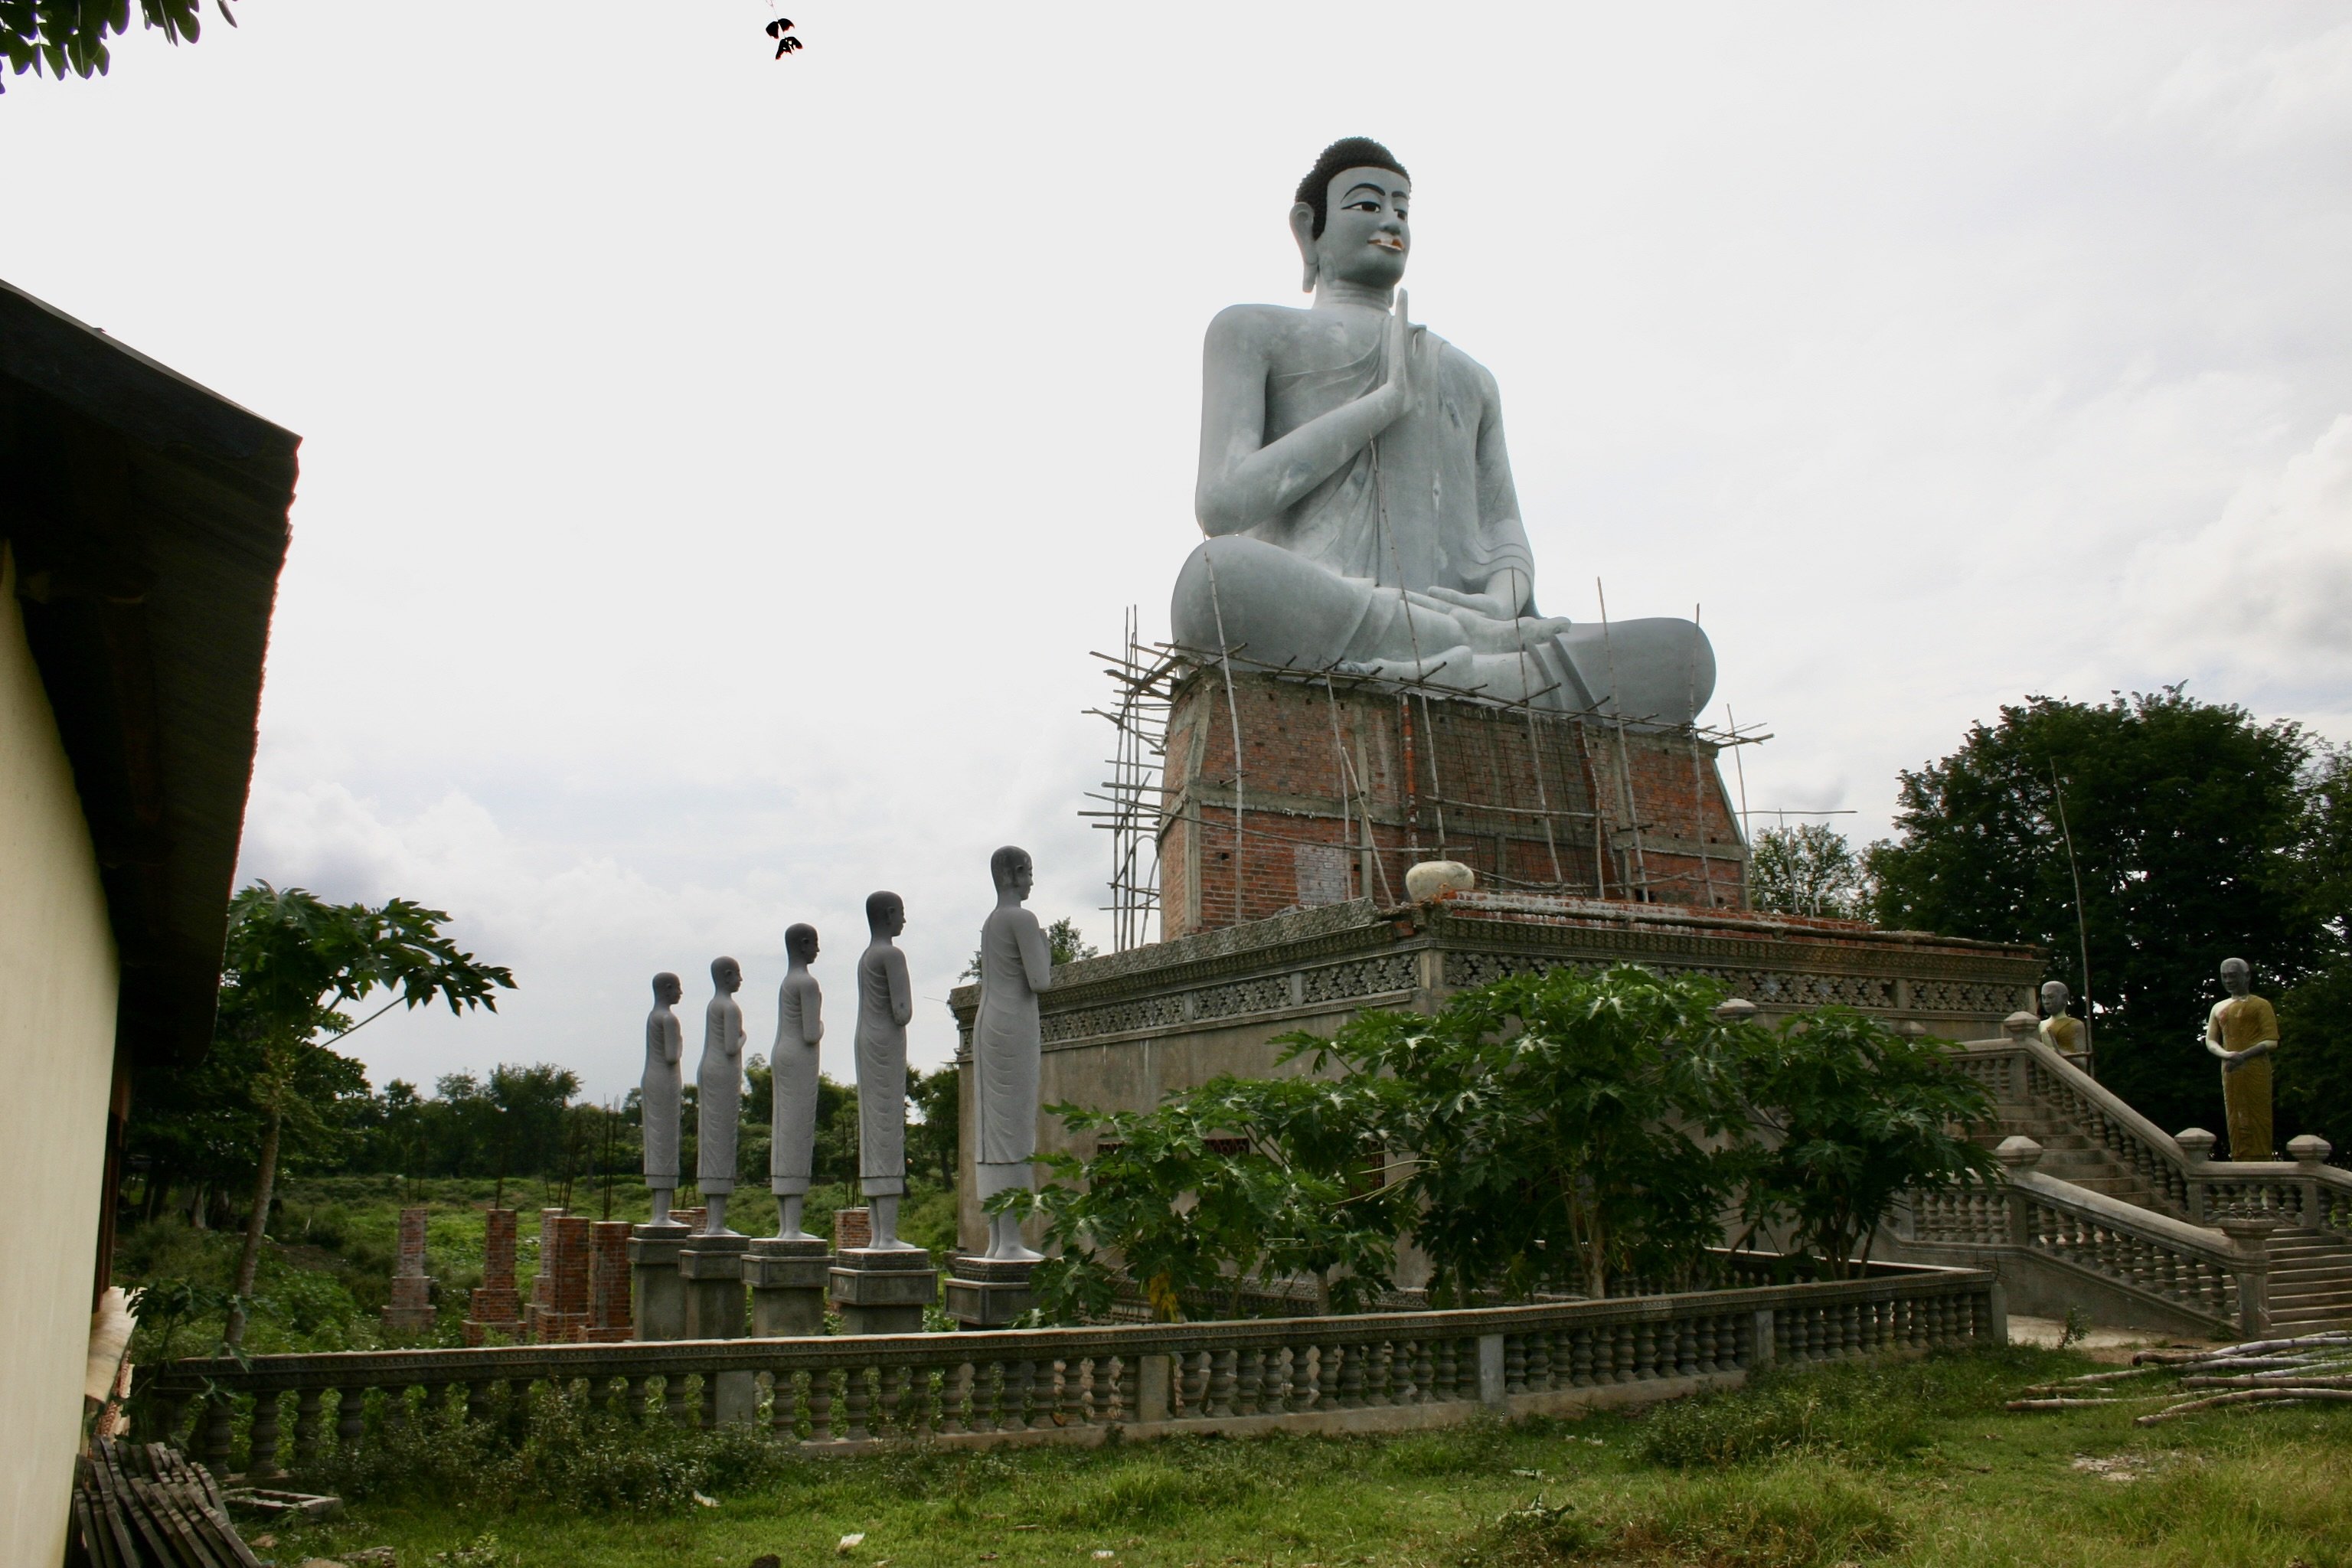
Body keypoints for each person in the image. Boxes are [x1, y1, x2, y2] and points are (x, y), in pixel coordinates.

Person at [1172, 136, 1713, 724]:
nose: (1390, 223)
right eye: (1367, 205)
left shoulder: (1469, 377)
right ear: (1308, 230)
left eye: (1402, 210)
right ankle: (1488, 674)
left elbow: (1503, 528)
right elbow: (1221, 506)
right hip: (1330, 606)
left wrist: (1500, 604)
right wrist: (1383, 405)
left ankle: (1459, 660)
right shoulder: (1251, 331)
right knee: (1216, 583)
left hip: (1471, 626)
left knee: (1683, 655)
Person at [972, 846, 1051, 1262]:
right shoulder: (1022, 919)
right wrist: (1044, 948)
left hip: (989, 1024)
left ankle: (997, 1238)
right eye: (1029, 872)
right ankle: (1010, 1240)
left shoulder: (992, 922)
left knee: (994, 1133)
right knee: (1015, 1131)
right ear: (1014, 874)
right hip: (1014, 1025)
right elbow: (1040, 980)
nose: (1032, 880)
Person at [854, 891, 919, 1249]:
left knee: (874, 1131)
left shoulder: (866, 957)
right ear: (890, 914)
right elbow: (902, 1011)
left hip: (866, 1039)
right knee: (888, 1130)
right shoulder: (892, 955)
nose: (904, 920)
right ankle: (887, 1235)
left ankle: (879, 1234)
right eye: (902, 913)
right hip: (886, 1043)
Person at [769, 923, 824, 1240]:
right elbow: (811, 1032)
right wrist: (822, 1024)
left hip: (783, 1054)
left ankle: (786, 1225)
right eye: (814, 943)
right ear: (803, 944)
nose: (818, 949)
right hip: (799, 1058)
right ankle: (791, 1227)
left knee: (785, 1132)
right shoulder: (806, 982)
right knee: (796, 1133)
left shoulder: (787, 982)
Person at [2203, 956, 2279, 1161]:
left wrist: (2243, 1055)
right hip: (2231, 1067)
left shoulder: (2260, 1005)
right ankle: (2239, 1157)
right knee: (2235, 1114)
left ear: (2246, 976)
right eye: (2224, 976)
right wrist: (2227, 1055)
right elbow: (2211, 1041)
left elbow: (2272, 1041)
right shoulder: (2219, 1007)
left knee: (2258, 1114)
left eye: (2233, 976)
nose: (2228, 981)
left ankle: (2262, 1159)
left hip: (2254, 1066)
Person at [697, 956, 747, 1235]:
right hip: (722, 1074)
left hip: (710, 1070)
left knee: (712, 1140)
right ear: (727, 975)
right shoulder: (729, 1007)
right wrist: (744, 1037)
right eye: (737, 974)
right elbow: (731, 1046)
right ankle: (716, 1223)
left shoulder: (713, 1005)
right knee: (721, 1141)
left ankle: (714, 1221)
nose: (741, 979)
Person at [642, 972, 685, 1228]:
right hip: (664, 1082)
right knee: (665, 1142)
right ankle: (661, 1214)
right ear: (667, 989)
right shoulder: (668, 1018)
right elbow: (672, 1055)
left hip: (653, 1079)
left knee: (658, 1142)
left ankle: (660, 1212)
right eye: (678, 988)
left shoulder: (653, 1016)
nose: (680, 993)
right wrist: (680, 1042)